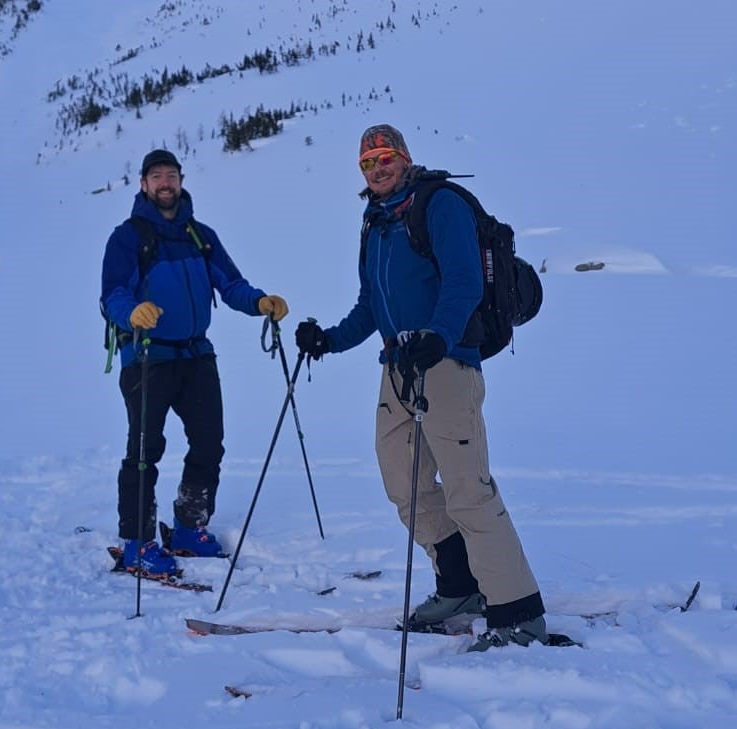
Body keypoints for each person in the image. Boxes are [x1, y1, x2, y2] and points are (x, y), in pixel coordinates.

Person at [295, 124, 546, 650]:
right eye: (368, 162)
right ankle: (459, 587)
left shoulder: (440, 204)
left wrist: (440, 335)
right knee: (403, 485)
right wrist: (329, 341)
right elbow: (371, 305)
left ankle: (517, 613)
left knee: (468, 491)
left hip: (447, 364)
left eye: (385, 157)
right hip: (397, 369)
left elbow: (463, 282)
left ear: (404, 159)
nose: (377, 168)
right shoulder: (376, 221)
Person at [102, 149, 288, 578]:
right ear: (144, 184)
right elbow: (112, 292)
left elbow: (231, 283)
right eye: (156, 176)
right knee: (145, 450)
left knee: (209, 442)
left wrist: (259, 302)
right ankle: (136, 540)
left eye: (171, 175)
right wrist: (131, 312)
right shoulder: (128, 237)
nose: (165, 182)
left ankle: (188, 527)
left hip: (196, 355)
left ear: (181, 180)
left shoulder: (200, 235)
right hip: (147, 355)